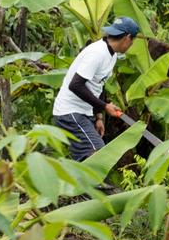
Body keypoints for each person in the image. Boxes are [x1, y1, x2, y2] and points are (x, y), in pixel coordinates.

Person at [52, 17, 141, 161]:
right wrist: (104, 106)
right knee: (98, 156)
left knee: (86, 160)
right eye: (133, 41)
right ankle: (98, 184)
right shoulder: (98, 53)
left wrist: (98, 116)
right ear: (128, 38)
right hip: (70, 112)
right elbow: (75, 85)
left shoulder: (111, 54)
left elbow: (98, 85)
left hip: (83, 113)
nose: (131, 45)